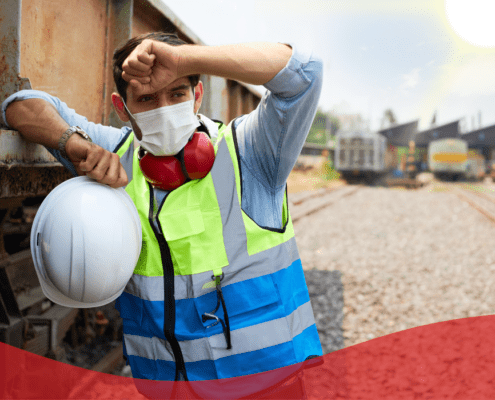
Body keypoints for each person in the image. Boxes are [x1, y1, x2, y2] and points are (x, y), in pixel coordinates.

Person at [2, 32, 323, 384]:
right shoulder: (114, 152)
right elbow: (19, 104)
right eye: (147, 98)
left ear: (197, 95)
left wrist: (185, 59)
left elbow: (304, 71)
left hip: (263, 386)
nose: (165, 109)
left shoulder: (250, 153)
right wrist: (72, 144)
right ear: (121, 108)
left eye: (177, 93)